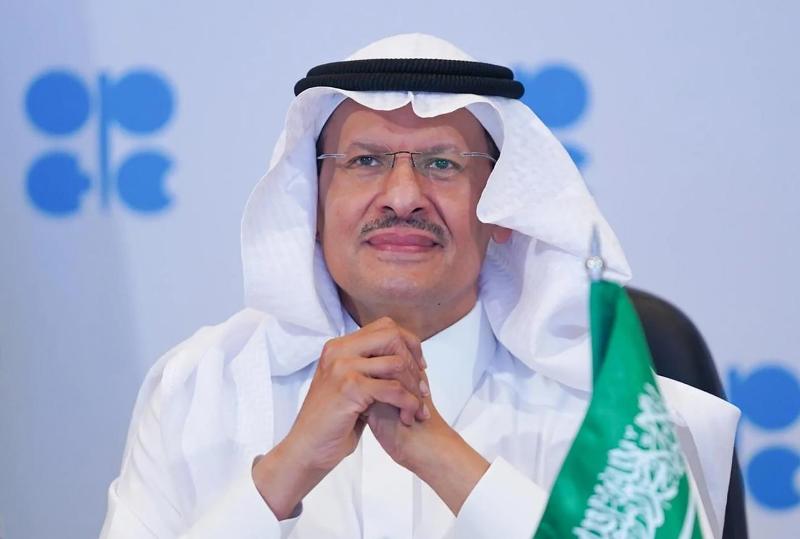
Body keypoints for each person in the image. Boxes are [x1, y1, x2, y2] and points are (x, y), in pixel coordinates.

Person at [101, 34, 739, 538]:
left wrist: (442, 457)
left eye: (442, 163)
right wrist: (285, 470)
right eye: (365, 161)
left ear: (504, 211)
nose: (403, 197)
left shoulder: (614, 409)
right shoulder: (199, 390)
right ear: (311, 204)